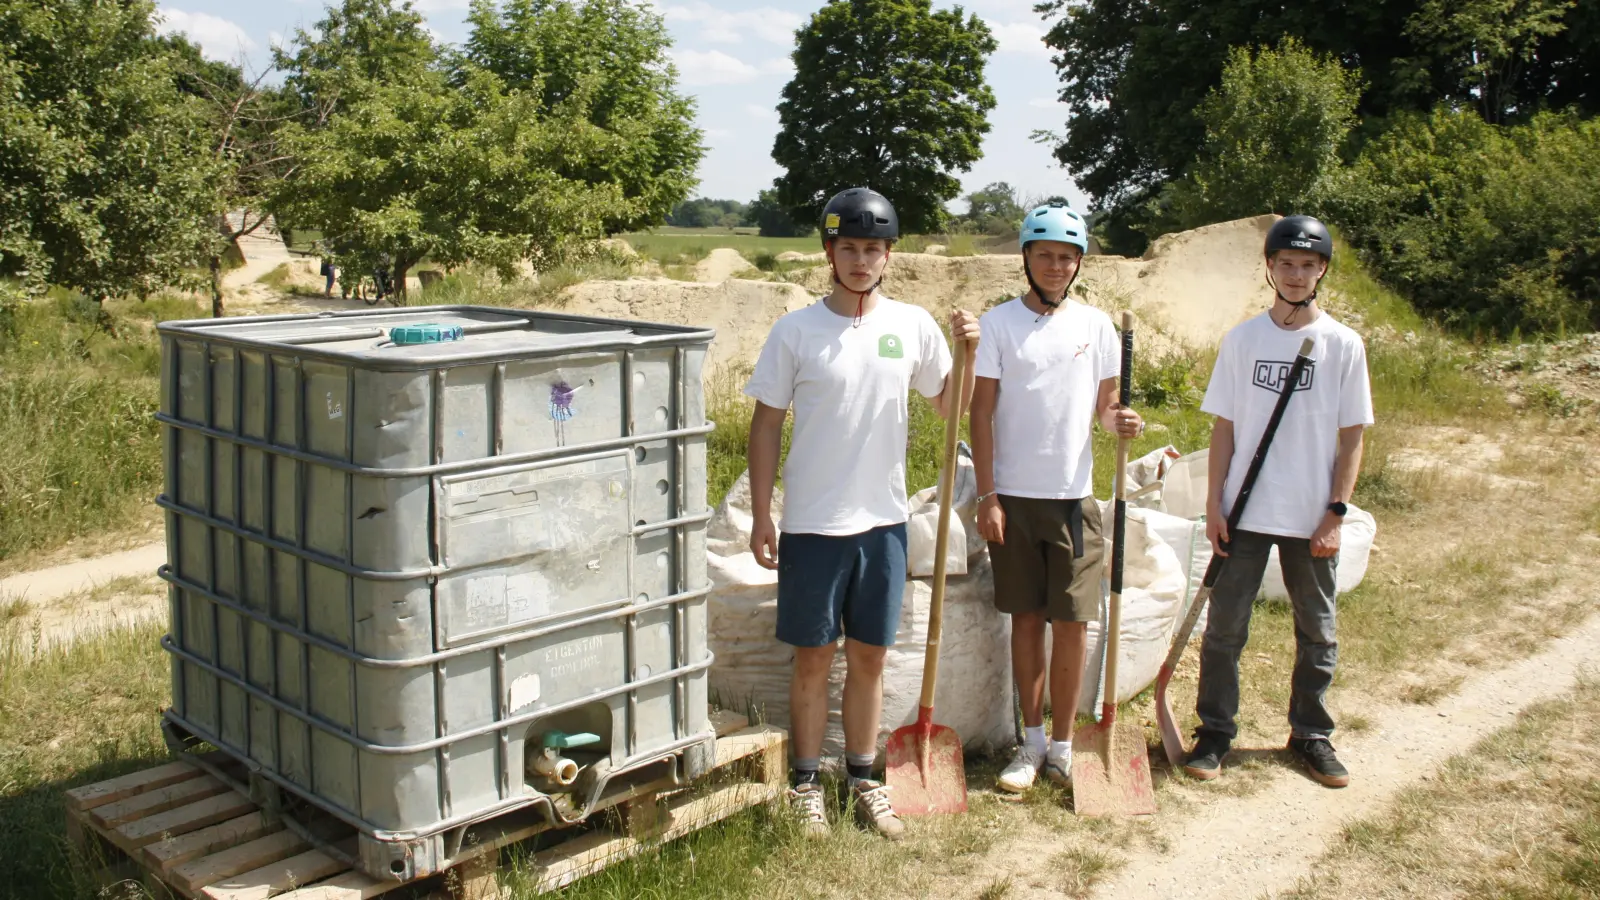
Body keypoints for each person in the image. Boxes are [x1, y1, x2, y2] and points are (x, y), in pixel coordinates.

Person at [744, 187, 979, 839]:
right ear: (829, 252)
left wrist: (967, 354)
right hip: (813, 525)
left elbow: (948, 408)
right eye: (847, 247)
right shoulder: (795, 331)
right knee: (814, 658)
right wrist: (763, 514)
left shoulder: (912, 326)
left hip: (883, 523)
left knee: (871, 657)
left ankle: (863, 777)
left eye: (872, 249)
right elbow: (766, 426)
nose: (859, 260)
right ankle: (804, 784)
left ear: (888, 255)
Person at [1182, 214, 1374, 789]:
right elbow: (1224, 428)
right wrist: (1214, 505)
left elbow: (1352, 437)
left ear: (1322, 271)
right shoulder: (1242, 340)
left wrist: (1335, 513)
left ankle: (1311, 734)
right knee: (1224, 631)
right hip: (1244, 514)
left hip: (1310, 515)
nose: (1295, 274)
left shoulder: (1343, 344)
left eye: (1307, 265)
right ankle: (1215, 732)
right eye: (1285, 263)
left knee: (1318, 630)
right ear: (1269, 266)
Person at [969, 204, 1143, 793]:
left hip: (1074, 500)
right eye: (1044, 254)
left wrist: (1121, 420)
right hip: (1013, 500)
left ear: (1078, 264)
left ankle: (1065, 746)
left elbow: (1106, 405)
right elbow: (981, 412)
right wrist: (988, 494)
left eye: (1066, 257)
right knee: (1026, 619)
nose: (1055, 265)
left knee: (1072, 622)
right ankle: (1032, 741)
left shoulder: (1096, 326)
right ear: (1025, 257)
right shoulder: (998, 325)